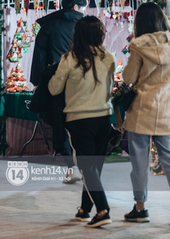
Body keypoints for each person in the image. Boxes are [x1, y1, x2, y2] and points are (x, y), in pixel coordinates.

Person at [48, 16, 115, 228]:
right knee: (94, 166)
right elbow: (110, 90)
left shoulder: (70, 58)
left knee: (87, 166)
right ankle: (85, 209)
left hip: (79, 119)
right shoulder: (109, 58)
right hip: (104, 118)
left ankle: (102, 210)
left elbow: (53, 89)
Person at [30, 0, 87, 183]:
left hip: (57, 82)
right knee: (81, 123)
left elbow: (39, 57)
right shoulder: (85, 26)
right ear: (76, 7)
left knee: (60, 125)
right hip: (82, 83)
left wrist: (37, 82)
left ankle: (71, 168)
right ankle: (86, 168)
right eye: (83, 7)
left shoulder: (49, 25)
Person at [121, 2, 170, 223]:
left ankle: (140, 208)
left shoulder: (138, 46)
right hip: (167, 110)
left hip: (141, 110)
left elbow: (129, 78)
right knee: (169, 160)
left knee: (139, 163)